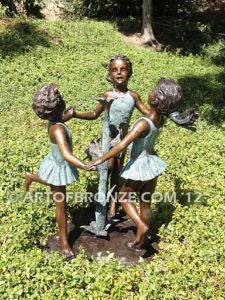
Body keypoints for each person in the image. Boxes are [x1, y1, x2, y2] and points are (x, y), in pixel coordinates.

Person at [88, 78, 198, 249]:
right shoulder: (161, 119)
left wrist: (100, 158)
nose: (150, 92)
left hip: (139, 165)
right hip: (152, 164)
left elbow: (122, 145)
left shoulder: (143, 123)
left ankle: (141, 226)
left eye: (153, 91)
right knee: (145, 201)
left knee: (124, 197)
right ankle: (142, 239)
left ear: (155, 99)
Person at [65, 55, 151, 218]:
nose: (119, 73)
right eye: (114, 70)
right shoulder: (107, 94)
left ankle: (112, 205)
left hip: (123, 142)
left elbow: (148, 113)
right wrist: (75, 114)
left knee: (117, 173)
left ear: (130, 72)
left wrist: (164, 110)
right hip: (107, 141)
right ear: (110, 74)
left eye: (123, 69)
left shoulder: (133, 96)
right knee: (108, 168)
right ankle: (101, 202)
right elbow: (94, 114)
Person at [24, 84, 92, 259]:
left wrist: (68, 116)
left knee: (57, 188)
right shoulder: (58, 130)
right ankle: (64, 243)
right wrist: (83, 165)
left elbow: (60, 120)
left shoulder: (55, 122)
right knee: (61, 204)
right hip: (59, 165)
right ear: (59, 105)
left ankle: (31, 176)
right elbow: (67, 154)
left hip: (56, 163)